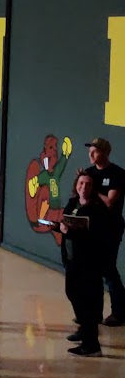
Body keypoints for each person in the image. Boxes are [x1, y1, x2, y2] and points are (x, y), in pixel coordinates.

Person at [59, 171, 110, 356]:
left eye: (88, 184)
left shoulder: (97, 209)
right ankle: (84, 329)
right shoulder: (73, 203)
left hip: (89, 263)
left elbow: (94, 237)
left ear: (93, 188)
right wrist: (58, 227)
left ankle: (91, 345)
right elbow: (65, 226)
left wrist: (70, 232)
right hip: (72, 261)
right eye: (81, 183)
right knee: (72, 292)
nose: (84, 187)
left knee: (88, 302)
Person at [84, 137, 125, 326]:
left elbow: (109, 202)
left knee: (108, 270)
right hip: (92, 228)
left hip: (110, 229)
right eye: (90, 150)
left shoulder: (117, 174)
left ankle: (119, 312)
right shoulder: (89, 173)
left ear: (106, 153)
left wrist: (92, 191)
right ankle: (92, 313)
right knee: (91, 272)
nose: (91, 154)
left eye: (96, 151)